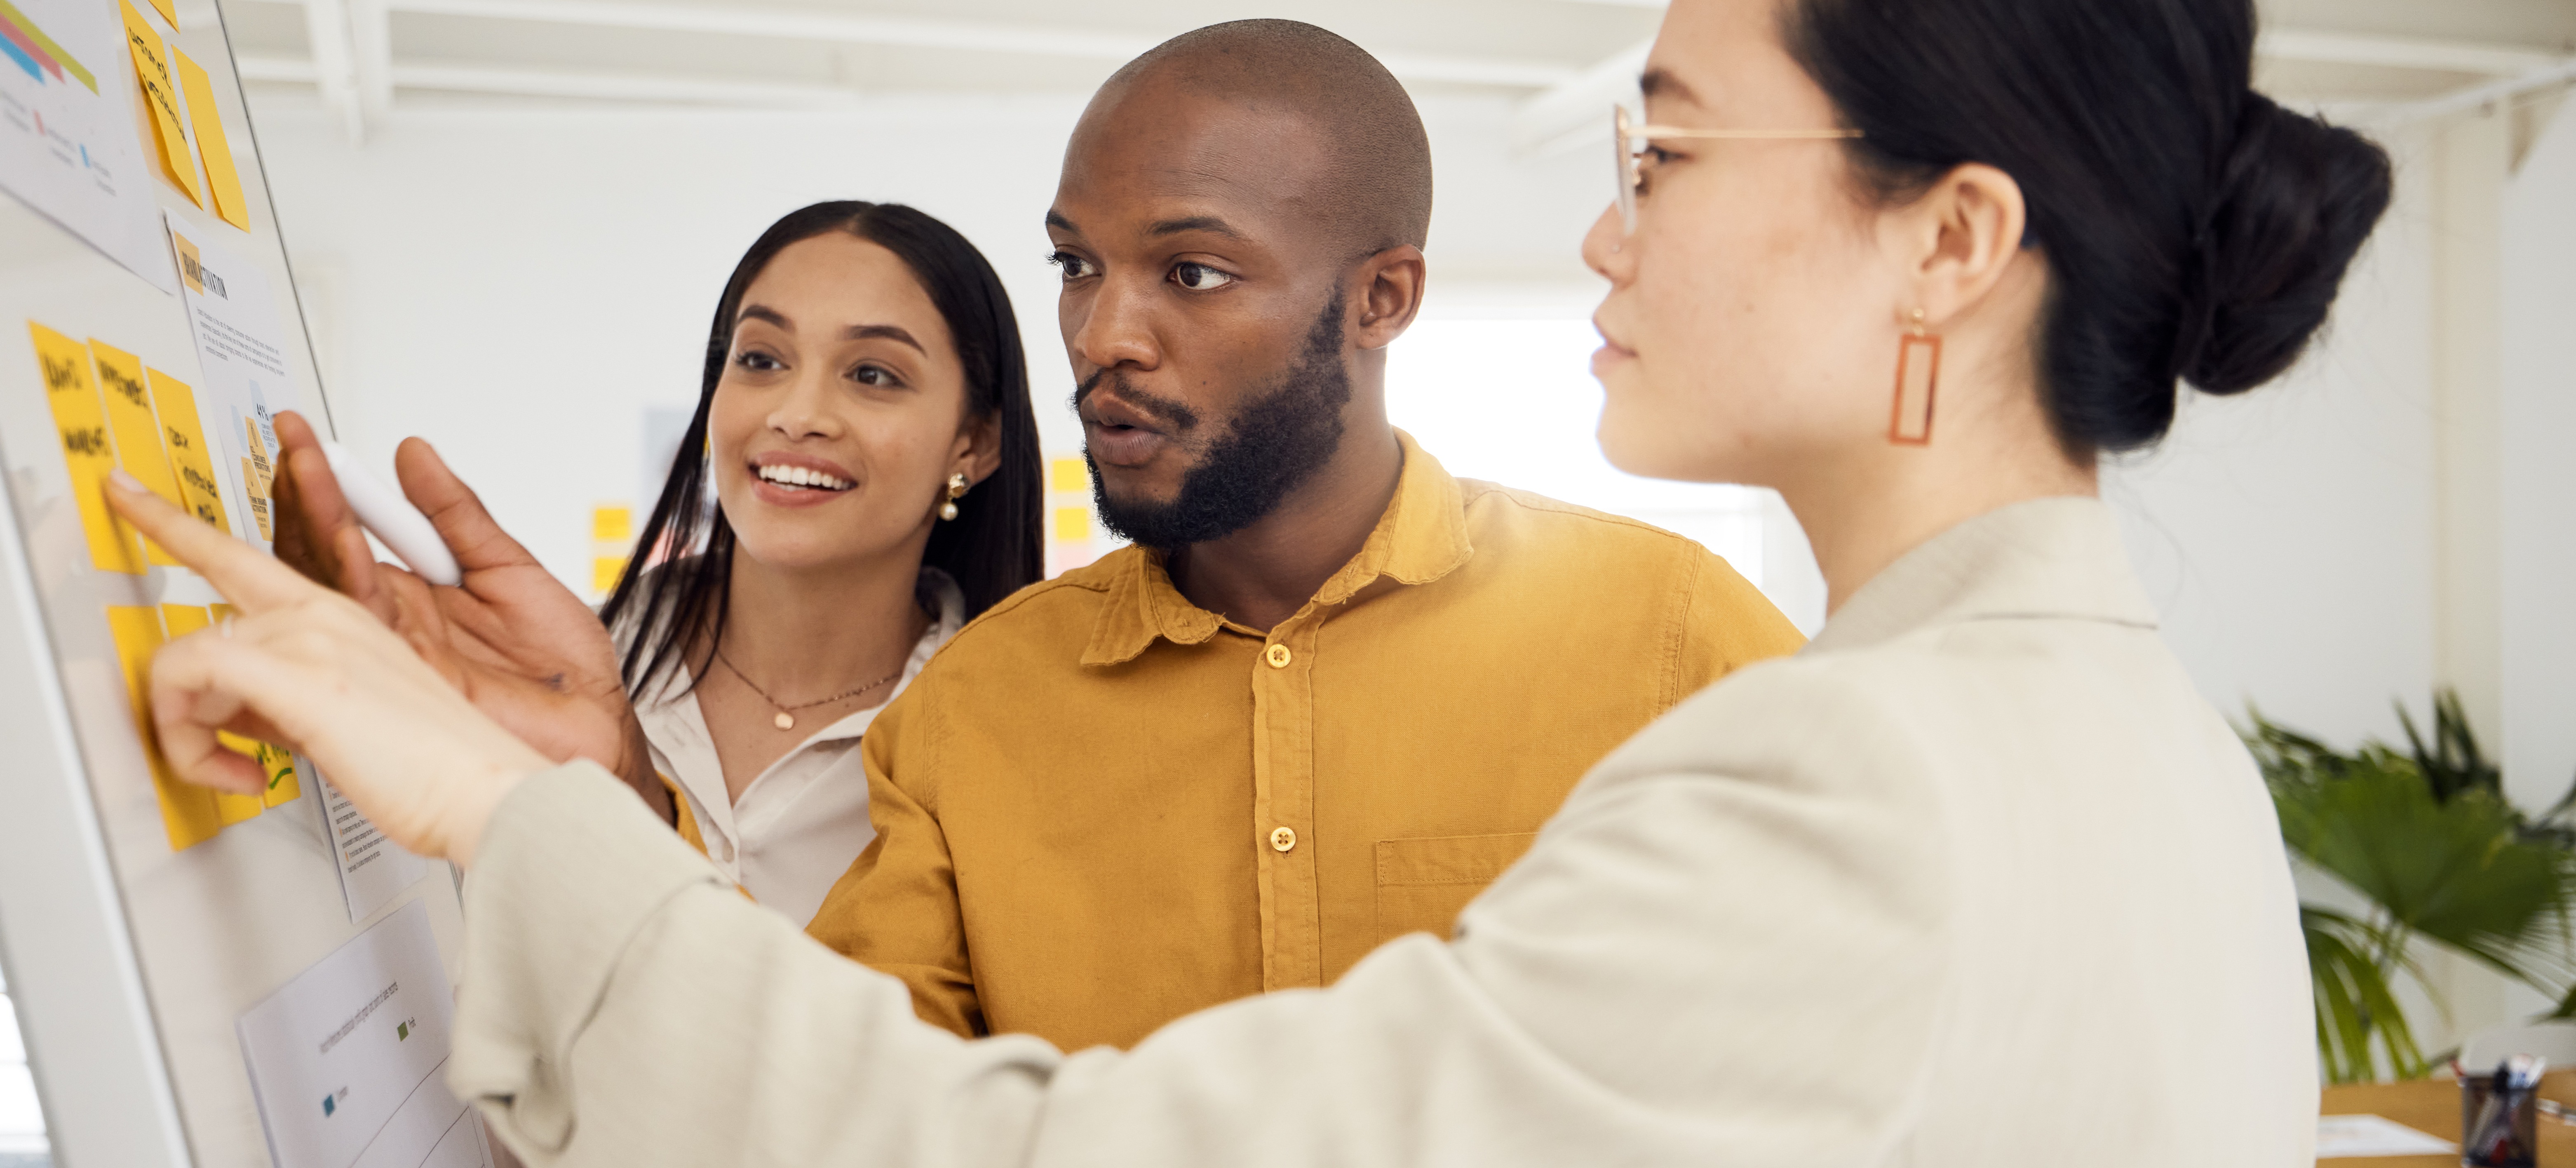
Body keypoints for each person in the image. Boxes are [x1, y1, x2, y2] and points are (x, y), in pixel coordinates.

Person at [115, 0, 2390, 1162]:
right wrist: (603, 781)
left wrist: (500, 822)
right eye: (1079, 271)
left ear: (1952, 239)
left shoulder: (1840, 764)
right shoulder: (2143, 758)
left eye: (1669, 151)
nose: (1608, 227)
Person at [278, 19, 1809, 1053]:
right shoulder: (973, 714)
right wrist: (599, 786)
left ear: (1384, 298)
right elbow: (812, 1110)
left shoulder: (1671, 642)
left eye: (1192, 276)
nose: (1105, 337)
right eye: (1079, 267)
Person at [600, 202, 1041, 925]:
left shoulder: (1016, 747)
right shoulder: (578, 669)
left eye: (872, 374)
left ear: (974, 443)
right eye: (762, 360)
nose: (797, 413)